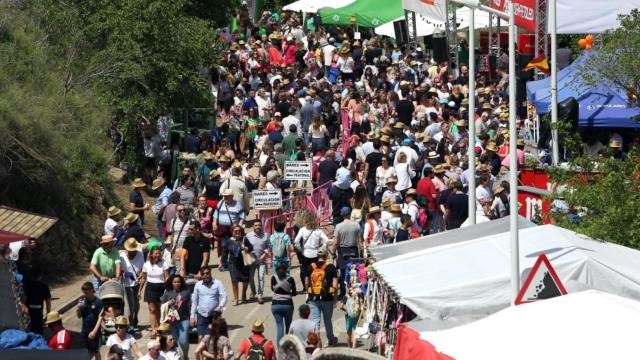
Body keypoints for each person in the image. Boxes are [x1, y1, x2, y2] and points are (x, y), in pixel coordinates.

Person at [306, 248, 338, 346]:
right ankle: (331, 340)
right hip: (327, 298)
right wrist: (335, 299)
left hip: (313, 298)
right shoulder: (331, 267)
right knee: (328, 320)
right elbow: (335, 285)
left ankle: (318, 341)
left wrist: (309, 293)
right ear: (326, 255)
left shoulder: (311, 267)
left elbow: (306, 282)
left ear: (317, 255)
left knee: (316, 320)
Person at [190, 267, 228, 345]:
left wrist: (220, 306)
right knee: (200, 337)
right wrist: (192, 317)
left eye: (207, 273)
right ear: (201, 275)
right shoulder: (198, 285)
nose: (205, 275)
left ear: (210, 273)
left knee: (216, 337)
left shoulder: (218, 283)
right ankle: (200, 356)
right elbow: (194, 301)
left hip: (214, 315)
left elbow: (224, 296)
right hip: (201, 314)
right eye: (203, 274)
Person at [331, 206, 361, 299]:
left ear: (342, 215)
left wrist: (333, 252)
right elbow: (359, 240)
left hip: (342, 251)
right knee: (355, 272)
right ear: (349, 214)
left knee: (343, 274)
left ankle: (343, 293)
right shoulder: (356, 225)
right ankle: (354, 292)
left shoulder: (338, 227)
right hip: (354, 250)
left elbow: (335, 242)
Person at [294, 213, 329, 291]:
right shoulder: (318, 231)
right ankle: (317, 287)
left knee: (307, 274)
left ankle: (308, 290)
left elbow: (296, 241)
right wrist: (322, 248)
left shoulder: (302, 229)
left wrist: (300, 250)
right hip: (316, 254)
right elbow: (326, 240)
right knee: (316, 272)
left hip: (306, 254)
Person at [213, 189, 246, 272]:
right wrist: (214, 223)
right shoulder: (220, 203)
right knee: (224, 246)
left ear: (232, 196)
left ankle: (236, 264)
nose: (225, 198)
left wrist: (239, 225)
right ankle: (223, 264)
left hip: (233, 228)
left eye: (227, 196)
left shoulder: (237, 204)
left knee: (236, 246)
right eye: (225, 196)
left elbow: (242, 216)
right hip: (222, 228)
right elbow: (215, 214)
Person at [139, 246, 170, 336]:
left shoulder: (164, 263)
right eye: (155, 253)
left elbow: (167, 277)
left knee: (160, 309)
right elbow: (144, 278)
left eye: (159, 253)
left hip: (161, 287)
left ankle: (159, 325)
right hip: (150, 287)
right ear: (151, 254)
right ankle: (154, 329)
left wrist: (166, 288)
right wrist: (139, 291)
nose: (157, 255)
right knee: (152, 310)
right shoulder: (146, 264)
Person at [160, 274, 191, 358]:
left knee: (183, 340)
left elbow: (189, 305)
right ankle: (180, 357)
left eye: (178, 282)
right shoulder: (167, 293)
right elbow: (162, 306)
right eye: (175, 282)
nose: (177, 283)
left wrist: (191, 317)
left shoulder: (186, 292)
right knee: (175, 341)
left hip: (184, 320)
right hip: (172, 321)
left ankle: (185, 356)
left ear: (181, 283)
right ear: (171, 283)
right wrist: (168, 303)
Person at [120, 238, 144, 329]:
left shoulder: (140, 255)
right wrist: (125, 273)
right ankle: (131, 323)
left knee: (136, 304)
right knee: (129, 305)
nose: (131, 252)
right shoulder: (122, 256)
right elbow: (119, 270)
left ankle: (135, 317)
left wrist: (140, 275)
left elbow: (143, 269)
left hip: (137, 284)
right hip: (126, 284)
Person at [271, 262, 297, 344]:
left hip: (275, 305)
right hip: (288, 304)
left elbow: (272, 289)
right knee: (288, 326)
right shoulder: (290, 279)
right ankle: (288, 346)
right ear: (286, 270)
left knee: (279, 327)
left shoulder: (273, 277)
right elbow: (294, 292)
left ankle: (279, 348)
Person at [226, 225, 252, 305]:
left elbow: (251, 247)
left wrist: (246, 248)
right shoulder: (228, 241)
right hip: (233, 263)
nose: (238, 232)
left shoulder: (244, 239)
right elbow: (225, 252)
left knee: (245, 279)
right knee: (234, 280)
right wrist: (222, 262)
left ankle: (243, 294)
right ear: (232, 232)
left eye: (239, 231)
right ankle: (236, 298)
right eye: (236, 231)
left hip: (244, 261)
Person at [245, 219, 269, 304]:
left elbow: (268, 246)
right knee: (250, 278)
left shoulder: (266, 235)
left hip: (262, 260)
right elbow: (244, 246)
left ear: (261, 226)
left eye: (259, 225)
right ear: (253, 226)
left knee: (261, 278)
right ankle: (253, 291)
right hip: (252, 261)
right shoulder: (248, 236)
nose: (257, 227)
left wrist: (265, 254)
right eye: (256, 225)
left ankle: (260, 296)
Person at [77, 281, 103, 359]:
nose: (85, 295)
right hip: (85, 330)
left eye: (86, 293)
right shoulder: (83, 301)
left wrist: (94, 331)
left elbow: (100, 317)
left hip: (94, 331)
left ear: (92, 291)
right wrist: (78, 308)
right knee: (86, 351)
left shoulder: (98, 302)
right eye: (83, 293)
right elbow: (79, 316)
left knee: (95, 351)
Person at [24, 266, 51, 334]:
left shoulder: (27, 286)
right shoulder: (44, 286)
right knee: (38, 333)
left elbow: (23, 299)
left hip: (28, 313)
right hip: (38, 314)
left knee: (28, 332)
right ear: (40, 276)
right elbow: (48, 301)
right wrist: (48, 314)